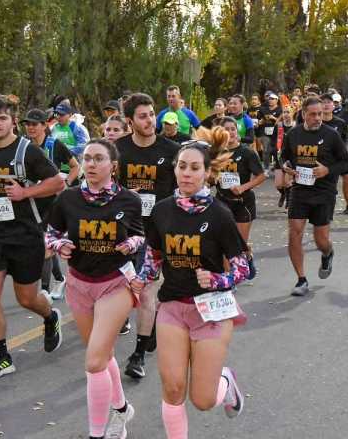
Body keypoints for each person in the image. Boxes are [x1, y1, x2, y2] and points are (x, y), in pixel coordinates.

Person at [131, 143, 249, 438]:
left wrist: (219, 279)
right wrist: (142, 278)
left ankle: (226, 382)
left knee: (203, 400)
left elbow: (244, 268)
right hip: (172, 307)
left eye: (195, 168)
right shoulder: (161, 212)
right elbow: (154, 256)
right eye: (182, 166)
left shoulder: (220, 215)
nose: (187, 173)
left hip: (210, 309)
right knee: (172, 389)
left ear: (208, 173)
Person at [0, 95, 66, 378]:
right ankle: (3, 356)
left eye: (2, 118)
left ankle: (50, 316)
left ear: (13, 122)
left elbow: (57, 182)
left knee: (27, 299)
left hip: (25, 233)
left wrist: (25, 193)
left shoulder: (28, 151)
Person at [44, 139, 143, 439]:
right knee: (101, 354)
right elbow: (50, 234)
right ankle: (123, 409)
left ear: (112, 165)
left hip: (115, 283)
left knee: (93, 362)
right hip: (79, 284)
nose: (90, 164)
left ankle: (96, 434)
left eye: (98, 159)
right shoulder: (68, 199)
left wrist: (131, 243)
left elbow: (141, 236)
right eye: (87, 158)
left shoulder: (129, 201)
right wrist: (59, 245)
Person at [116, 93, 181, 380]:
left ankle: (138, 355)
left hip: (158, 230)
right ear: (130, 121)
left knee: (147, 291)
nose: (150, 119)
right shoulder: (117, 149)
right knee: (126, 290)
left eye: (152, 113)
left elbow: (184, 190)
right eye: (142, 116)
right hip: (124, 229)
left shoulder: (171, 149)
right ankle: (150, 327)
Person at [280, 96, 348, 295]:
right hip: (300, 190)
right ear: (303, 114)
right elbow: (283, 156)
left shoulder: (331, 135)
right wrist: (285, 166)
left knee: (321, 240)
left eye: (320, 114)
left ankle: (328, 253)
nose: (318, 118)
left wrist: (327, 170)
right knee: (295, 232)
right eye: (313, 114)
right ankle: (301, 280)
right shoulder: (293, 135)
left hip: (324, 192)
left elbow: (345, 163)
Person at [23, 108, 79, 300]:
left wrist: (66, 184)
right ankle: (59, 277)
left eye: (34, 124)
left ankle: (45, 289)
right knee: (43, 242)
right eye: (27, 124)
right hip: (33, 200)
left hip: (53, 202)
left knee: (44, 244)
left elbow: (75, 167)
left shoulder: (54, 144)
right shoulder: (24, 146)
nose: (30, 127)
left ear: (44, 126)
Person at [216, 119, 266, 278]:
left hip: (243, 203)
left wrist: (243, 187)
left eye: (233, 129)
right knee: (222, 243)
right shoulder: (216, 153)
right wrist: (213, 178)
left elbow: (262, 176)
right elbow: (209, 176)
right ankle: (228, 276)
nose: (230, 132)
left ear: (237, 132)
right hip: (222, 202)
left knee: (238, 244)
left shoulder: (247, 152)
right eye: (226, 129)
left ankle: (247, 255)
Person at [320, 94, 348, 215]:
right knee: (327, 185)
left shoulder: (340, 122)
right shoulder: (317, 122)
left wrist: (347, 149)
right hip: (323, 159)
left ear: (333, 105)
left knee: (346, 179)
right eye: (323, 102)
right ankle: (324, 207)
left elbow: (346, 139)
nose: (326, 105)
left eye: (329, 102)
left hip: (338, 158)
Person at [273, 105, 297, 207]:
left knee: (288, 182)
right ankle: (283, 194)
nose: (286, 114)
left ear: (292, 113)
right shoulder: (279, 126)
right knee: (278, 184)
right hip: (280, 156)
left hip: (291, 157)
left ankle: (289, 200)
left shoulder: (296, 126)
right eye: (284, 112)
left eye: (288, 112)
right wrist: (273, 152)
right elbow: (273, 140)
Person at [256, 92, 282, 170]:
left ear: (277, 100)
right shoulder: (263, 109)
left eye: (272, 99)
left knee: (276, 151)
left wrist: (273, 118)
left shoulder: (280, 109)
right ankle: (266, 168)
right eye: (269, 98)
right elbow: (258, 121)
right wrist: (261, 121)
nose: (270, 100)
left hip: (277, 133)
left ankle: (277, 166)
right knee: (266, 150)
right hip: (265, 132)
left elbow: (282, 122)